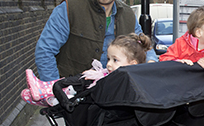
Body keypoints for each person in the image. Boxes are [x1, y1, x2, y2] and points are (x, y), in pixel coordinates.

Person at [34, 0, 157, 82]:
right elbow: (45, 51)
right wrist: (55, 90)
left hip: (116, 93)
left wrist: (150, 63)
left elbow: (144, 48)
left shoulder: (128, 14)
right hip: (75, 95)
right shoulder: (68, 8)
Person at [22, 33, 151, 107]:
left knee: (75, 86)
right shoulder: (110, 74)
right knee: (76, 81)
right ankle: (45, 93)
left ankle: (45, 93)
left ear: (132, 64)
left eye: (115, 60)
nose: (109, 64)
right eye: (108, 59)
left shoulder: (127, 84)